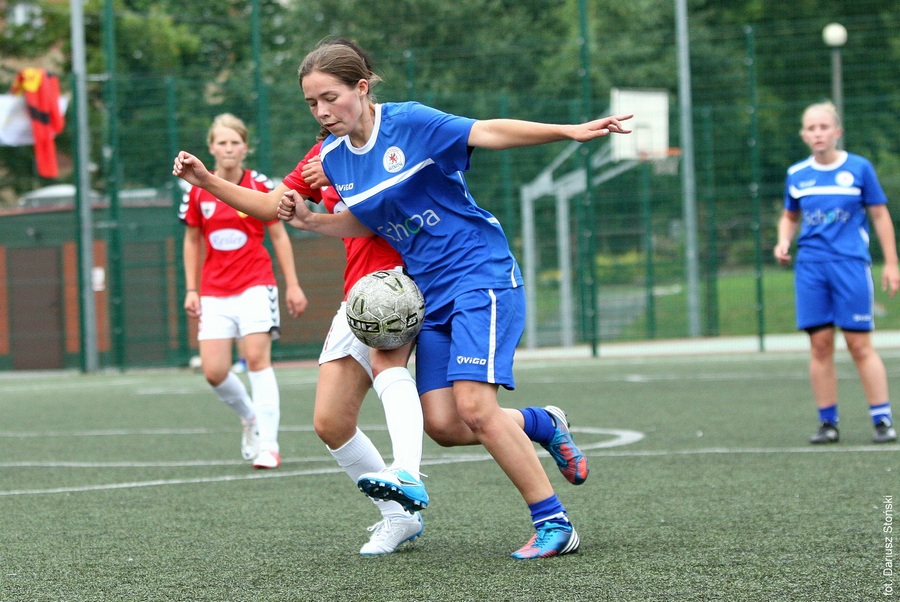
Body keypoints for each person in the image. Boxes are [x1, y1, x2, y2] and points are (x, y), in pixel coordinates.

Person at [172, 39, 596, 559]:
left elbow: (485, 131)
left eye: (330, 97)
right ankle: (540, 424)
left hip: (474, 273)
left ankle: (551, 522)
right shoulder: (330, 157)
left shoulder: (409, 123)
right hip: (426, 288)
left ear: (362, 87)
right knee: (443, 424)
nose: (322, 111)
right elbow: (358, 217)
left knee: (474, 406)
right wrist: (305, 216)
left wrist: (568, 130)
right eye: (312, 103)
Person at [180, 113, 308, 469]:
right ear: (211, 148)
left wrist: (293, 284)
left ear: (245, 147)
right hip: (214, 291)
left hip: (256, 284)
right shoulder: (196, 189)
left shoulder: (259, 183)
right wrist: (192, 288)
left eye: (235, 142)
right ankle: (250, 418)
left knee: (256, 358)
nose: (228, 148)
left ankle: (269, 444)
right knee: (214, 372)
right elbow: (191, 240)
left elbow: (279, 233)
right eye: (221, 143)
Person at [774, 101, 898, 445]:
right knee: (820, 344)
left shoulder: (859, 168)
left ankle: (882, 418)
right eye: (811, 128)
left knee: (859, 344)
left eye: (824, 127)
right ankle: (828, 422)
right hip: (811, 267)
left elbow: (880, 215)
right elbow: (790, 215)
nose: (818, 133)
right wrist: (783, 241)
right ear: (803, 135)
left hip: (850, 265)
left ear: (837, 132)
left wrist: (891, 262)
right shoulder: (797, 174)